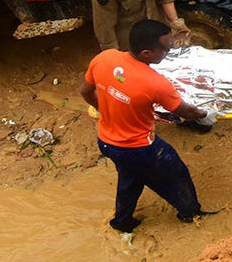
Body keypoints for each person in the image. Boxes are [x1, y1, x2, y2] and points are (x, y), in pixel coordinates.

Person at [80, 19, 213, 232]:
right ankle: (190, 213)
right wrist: (205, 114)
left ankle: (122, 222)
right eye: (166, 49)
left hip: (106, 141)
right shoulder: (155, 83)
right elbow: (185, 111)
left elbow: (85, 91)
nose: (168, 53)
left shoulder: (104, 58)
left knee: (130, 178)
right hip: (139, 147)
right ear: (146, 54)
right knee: (176, 173)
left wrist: (108, 109)